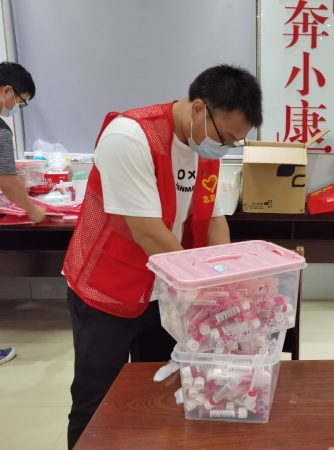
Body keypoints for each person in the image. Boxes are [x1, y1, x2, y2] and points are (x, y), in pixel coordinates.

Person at [62, 65, 262, 449]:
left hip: (167, 293)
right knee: (97, 400)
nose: (225, 147)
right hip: (109, 290)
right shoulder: (130, 136)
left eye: (235, 142)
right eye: (226, 138)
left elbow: (214, 220)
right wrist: (207, 289)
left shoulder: (206, 148)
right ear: (200, 108)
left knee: (160, 391)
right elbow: (147, 232)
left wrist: (228, 283)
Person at [0, 62, 46, 223]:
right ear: (7, 91)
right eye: (21, 101)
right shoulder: (1, 131)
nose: (18, 107)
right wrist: (33, 210)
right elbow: (7, 181)